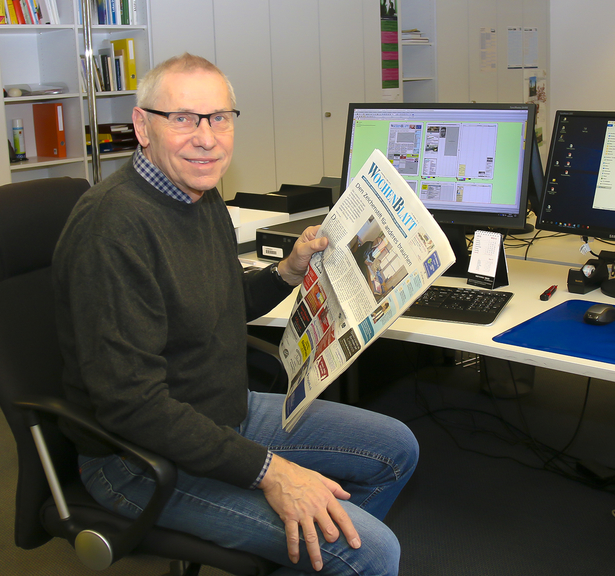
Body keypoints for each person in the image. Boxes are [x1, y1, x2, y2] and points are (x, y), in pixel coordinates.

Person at [52, 53, 418, 576]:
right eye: (182, 118)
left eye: (219, 117)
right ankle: (326, 551)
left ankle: (310, 551)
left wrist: (288, 272)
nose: (207, 138)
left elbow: (218, 303)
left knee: (395, 448)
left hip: (222, 411)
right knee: (374, 553)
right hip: (137, 460)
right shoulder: (113, 228)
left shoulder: (198, 194)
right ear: (142, 126)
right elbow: (132, 406)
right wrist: (272, 474)